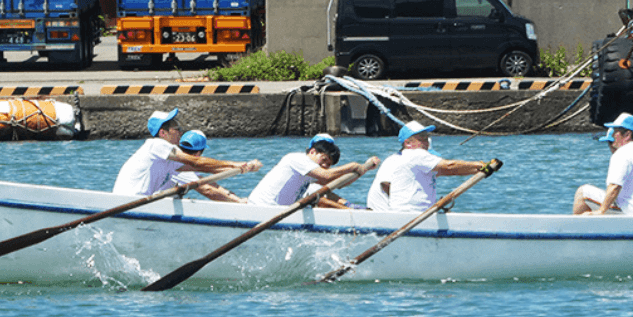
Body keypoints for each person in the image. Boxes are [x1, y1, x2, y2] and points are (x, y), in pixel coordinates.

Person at [113, 109, 261, 196]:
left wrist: (242, 169)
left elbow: (203, 168)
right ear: (163, 133)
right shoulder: (155, 144)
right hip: (127, 202)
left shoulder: (169, 159)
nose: (181, 132)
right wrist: (237, 164)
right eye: (176, 128)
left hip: (140, 203)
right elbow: (196, 162)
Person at [375, 121, 491, 213]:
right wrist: (479, 164)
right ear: (408, 143)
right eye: (423, 139)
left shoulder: (410, 159)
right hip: (411, 213)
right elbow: (449, 166)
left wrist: (479, 170)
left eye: (427, 138)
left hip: (413, 213)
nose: (427, 143)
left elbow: (450, 171)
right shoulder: (415, 154)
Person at [247, 133, 380, 207]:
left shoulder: (311, 171)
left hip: (277, 211)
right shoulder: (296, 159)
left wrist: (364, 169)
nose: (325, 165)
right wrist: (353, 166)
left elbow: (340, 184)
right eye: (323, 160)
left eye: (329, 164)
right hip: (263, 208)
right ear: (312, 151)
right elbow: (327, 176)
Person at [573, 112, 633, 215]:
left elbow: (614, 187)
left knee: (582, 192)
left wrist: (601, 211)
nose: (612, 135)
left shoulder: (623, 152)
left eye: (616, 131)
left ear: (627, 135)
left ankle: (574, 229)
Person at [162, 130, 246, 203]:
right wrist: (239, 202)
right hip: (159, 205)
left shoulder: (179, 162)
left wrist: (236, 198)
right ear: (198, 153)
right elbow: (207, 190)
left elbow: (209, 183)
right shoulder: (179, 166)